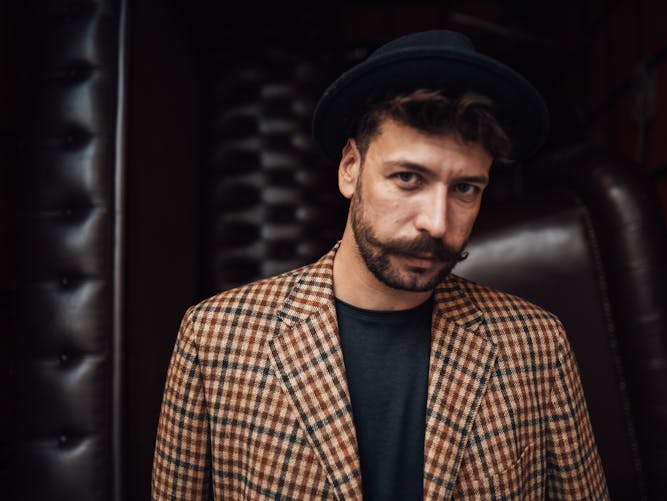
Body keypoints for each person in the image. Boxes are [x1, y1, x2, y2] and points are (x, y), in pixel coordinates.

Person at [152, 30, 609, 500]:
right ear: (350, 168)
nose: (436, 222)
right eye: (408, 178)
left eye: (466, 188)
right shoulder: (214, 339)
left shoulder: (536, 345)